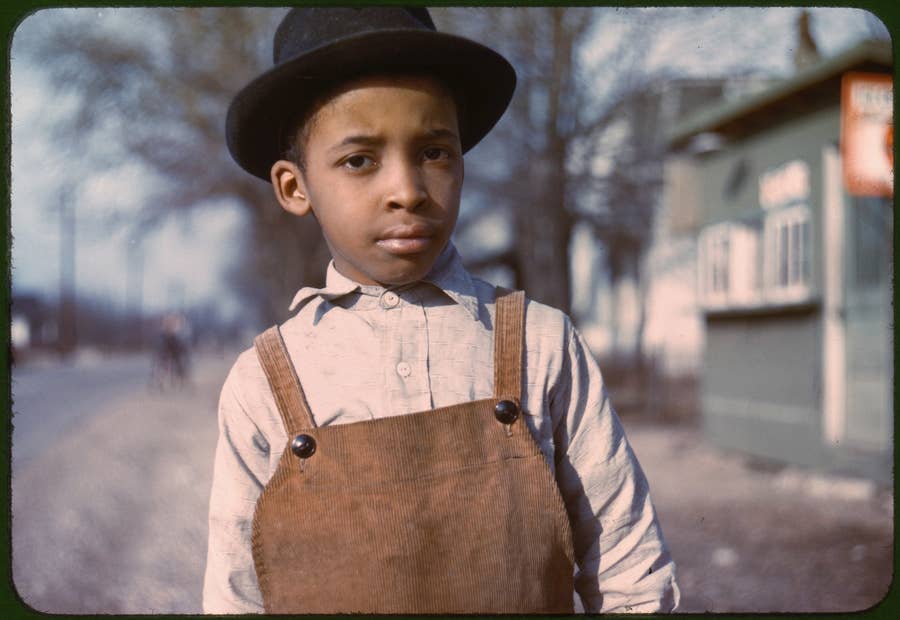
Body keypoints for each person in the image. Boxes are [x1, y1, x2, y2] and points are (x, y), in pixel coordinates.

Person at [203, 6, 679, 614]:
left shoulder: (540, 343)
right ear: (296, 187)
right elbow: (235, 595)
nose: (407, 189)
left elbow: (629, 568)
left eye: (434, 152)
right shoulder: (264, 383)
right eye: (360, 160)